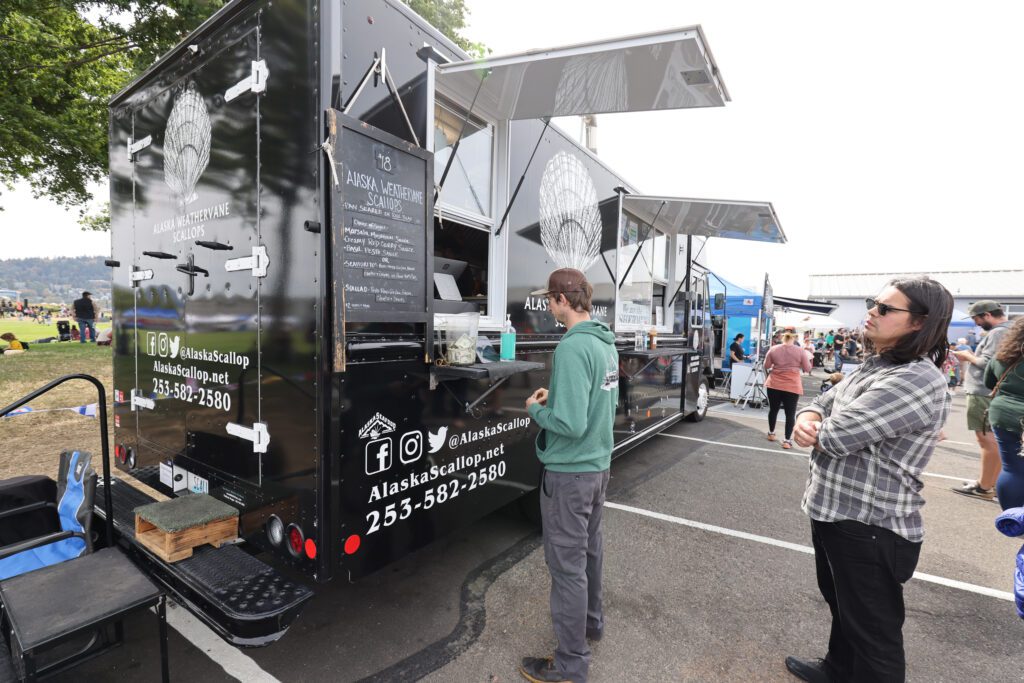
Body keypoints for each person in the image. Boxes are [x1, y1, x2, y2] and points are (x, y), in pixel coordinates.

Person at [785, 277, 953, 683]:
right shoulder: (878, 364)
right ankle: (838, 669)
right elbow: (818, 404)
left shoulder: (915, 378)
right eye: (872, 304)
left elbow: (837, 436)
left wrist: (815, 426)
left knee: (874, 635)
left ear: (919, 323)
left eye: (885, 309)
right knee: (843, 607)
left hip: (871, 525)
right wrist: (806, 416)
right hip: (838, 513)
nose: (871, 313)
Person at [521, 268, 618, 683]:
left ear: (562, 300)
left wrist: (537, 409)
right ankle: (591, 625)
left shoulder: (573, 347)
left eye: (549, 299)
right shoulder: (603, 342)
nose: (547, 306)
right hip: (597, 468)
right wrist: (557, 396)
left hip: (571, 473)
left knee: (567, 568)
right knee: (589, 554)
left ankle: (570, 665)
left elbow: (572, 423)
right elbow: (595, 401)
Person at [951, 301, 1012, 501]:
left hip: (983, 391)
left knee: (987, 439)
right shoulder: (1010, 330)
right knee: (993, 439)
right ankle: (989, 483)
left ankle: (985, 487)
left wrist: (966, 356)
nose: (976, 323)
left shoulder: (997, 333)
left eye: (976, 318)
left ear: (986, 315)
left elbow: (988, 362)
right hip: (994, 391)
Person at [984, 317, 1024, 510]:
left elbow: (989, 383)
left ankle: (1014, 519)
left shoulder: (1003, 356)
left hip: (1004, 414)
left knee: (1013, 469)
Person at [764, 331, 812, 449]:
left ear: (782, 337)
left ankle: (771, 433)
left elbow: (766, 365)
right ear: (794, 338)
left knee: (773, 409)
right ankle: (786, 440)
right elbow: (807, 369)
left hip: (774, 383)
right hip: (792, 385)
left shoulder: (774, 349)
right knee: (790, 413)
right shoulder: (800, 351)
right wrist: (808, 360)